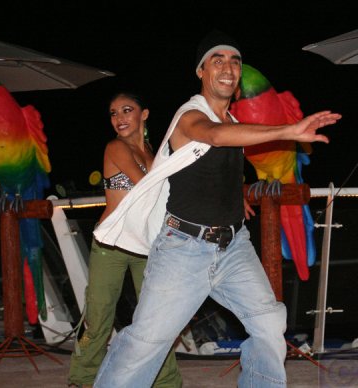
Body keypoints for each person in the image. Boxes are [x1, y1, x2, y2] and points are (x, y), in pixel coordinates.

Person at [93, 31, 341, 388]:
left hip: (234, 246)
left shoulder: (235, 124)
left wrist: (235, 194)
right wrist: (289, 129)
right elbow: (211, 136)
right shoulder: (190, 115)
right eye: (217, 60)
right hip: (183, 247)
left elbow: (214, 162)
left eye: (234, 60)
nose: (228, 67)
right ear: (201, 71)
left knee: (269, 323)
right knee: (146, 342)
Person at [68, 91, 182, 388]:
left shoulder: (153, 151)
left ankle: (167, 383)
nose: (119, 118)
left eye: (127, 110)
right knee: (98, 320)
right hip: (111, 247)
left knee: (156, 320)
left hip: (145, 247)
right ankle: (81, 381)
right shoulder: (115, 148)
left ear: (144, 115)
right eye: (114, 113)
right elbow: (149, 186)